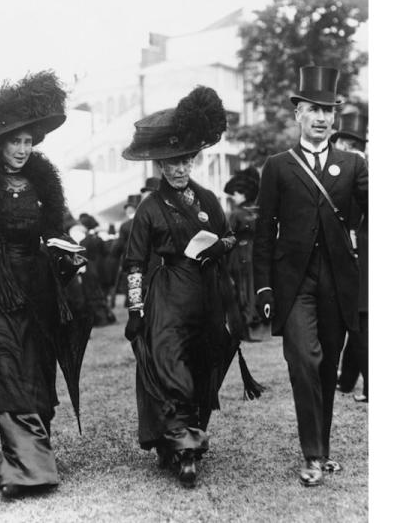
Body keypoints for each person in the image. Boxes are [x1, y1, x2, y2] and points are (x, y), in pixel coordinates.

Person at [121, 86, 264, 488]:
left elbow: (229, 238)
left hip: (206, 294)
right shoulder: (149, 208)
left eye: (185, 159)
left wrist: (220, 245)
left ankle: (185, 436)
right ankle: (183, 446)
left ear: (193, 159)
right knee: (170, 365)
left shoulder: (207, 199)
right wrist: (135, 310)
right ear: (159, 165)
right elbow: (134, 262)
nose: (179, 168)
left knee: (202, 367)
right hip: (167, 295)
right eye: (171, 162)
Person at [0, 71, 92, 495]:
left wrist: (72, 256)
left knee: (37, 368)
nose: (22, 149)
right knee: (6, 367)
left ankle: (26, 456)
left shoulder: (44, 177)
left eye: (27, 141)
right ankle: (26, 467)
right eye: (14, 141)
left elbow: (56, 230)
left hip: (37, 281)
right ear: (0, 142)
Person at [252, 66, 368, 487]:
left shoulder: (352, 165)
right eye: (313, 110)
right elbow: (263, 231)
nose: (321, 118)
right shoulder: (279, 166)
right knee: (305, 359)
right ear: (298, 113)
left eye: (328, 111)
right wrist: (263, 285)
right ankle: (312, 455)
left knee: (327, 364)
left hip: (339, 281)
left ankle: (324, 448)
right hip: (294, 283)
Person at [332, 110, 369, 402]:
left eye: (348, 143)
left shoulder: (358, 173)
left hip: (361, 258)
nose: (344, 148)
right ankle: (346, 381)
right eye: (342, 142)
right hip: (354, 255)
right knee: (357, 321)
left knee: (360, 324)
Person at [223, 167, 262, 338]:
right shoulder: (258, 211)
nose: (234, 196)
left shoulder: (236, 214)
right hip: (255, 252)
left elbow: (228, 235)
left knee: (241, 288)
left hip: (239, 254)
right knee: (253, 286)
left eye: (236, 193)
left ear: (243, 194)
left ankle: (244, 325)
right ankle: (255, 322)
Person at [79, 213, 116, 326]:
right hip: (99, 267)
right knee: (99, 293)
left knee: (92, 294)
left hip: (89, 268)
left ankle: (100, 319)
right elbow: (106, 252)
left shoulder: (84, 241)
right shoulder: (97, 238)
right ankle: (106, 316)